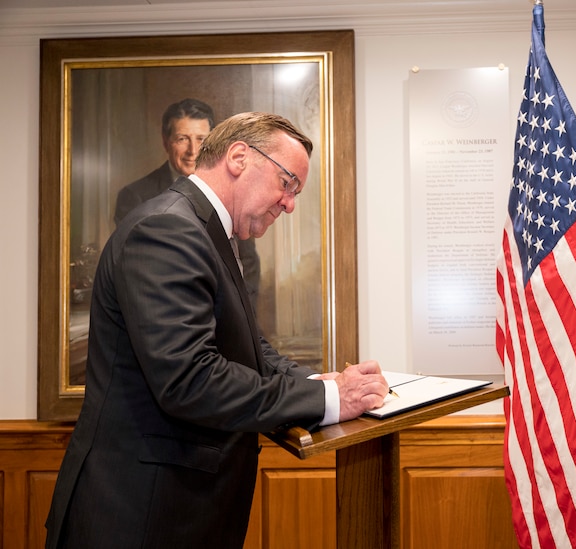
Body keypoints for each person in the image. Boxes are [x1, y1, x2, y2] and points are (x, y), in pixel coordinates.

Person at [45, 112, 389, 549]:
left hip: (178, 511)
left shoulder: (210, 232)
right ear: (239, 157)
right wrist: (330, 400)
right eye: (288, 183)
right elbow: (191, 379)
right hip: (140, 516)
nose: (290, 203)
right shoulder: (167, 229)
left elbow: (250, 349)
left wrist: (321, 382)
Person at [114, 98, 261, 304]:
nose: (193, 150)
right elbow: (139, 278)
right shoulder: (134, 197)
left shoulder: (232, 194)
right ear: (166, 141)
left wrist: (242, 325)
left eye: (201, 139)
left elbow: (248, 264)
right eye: (182, 139)